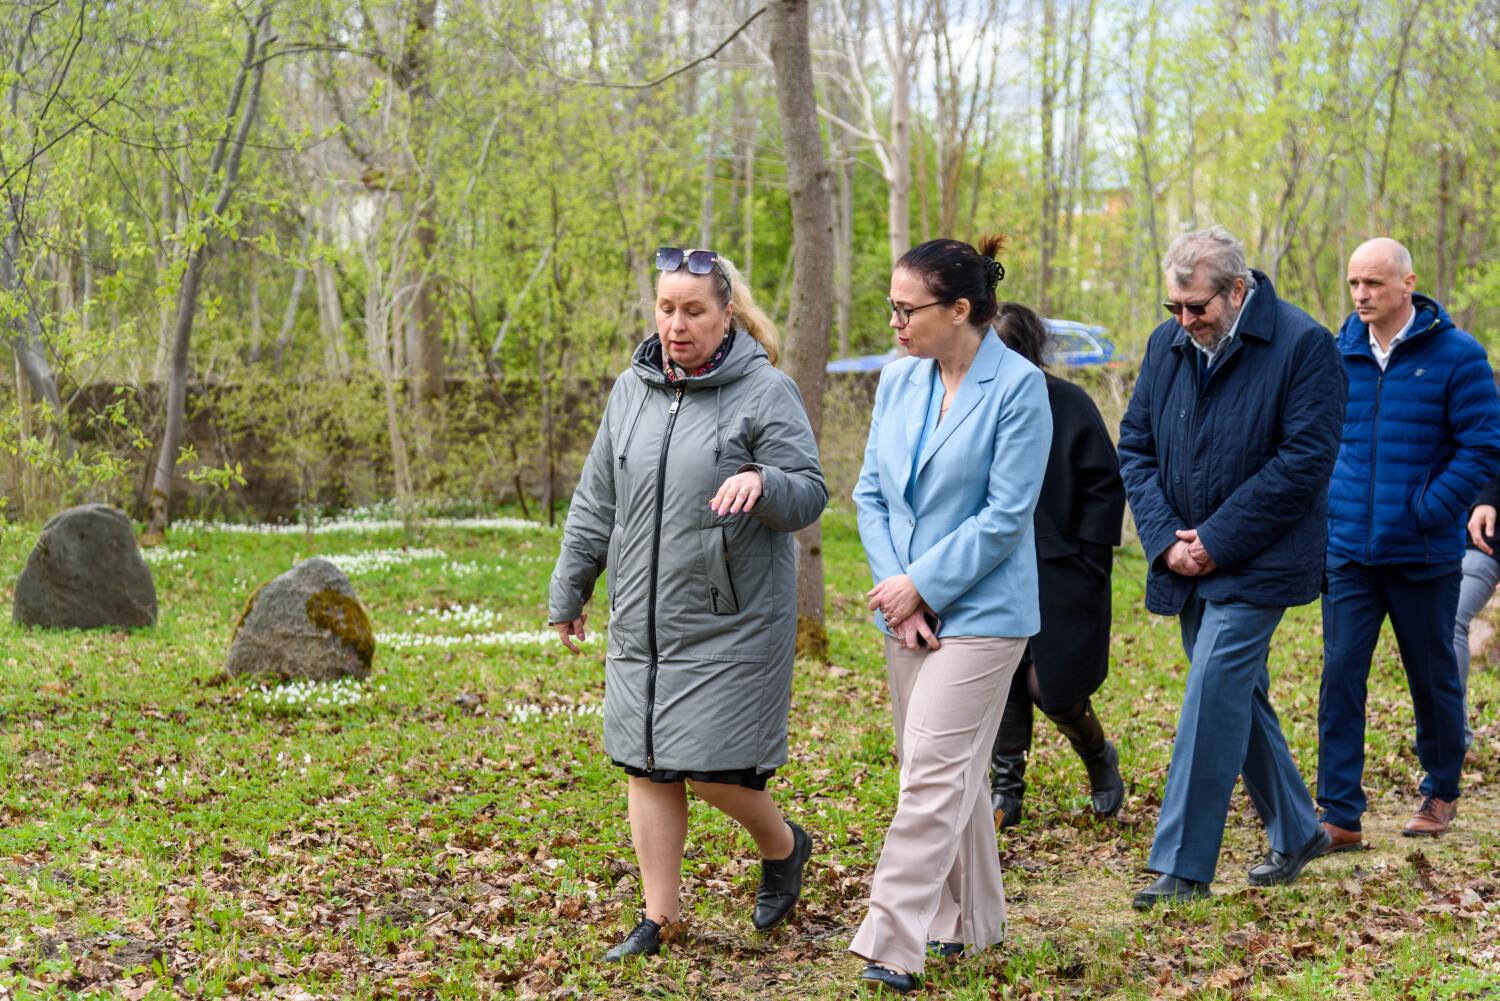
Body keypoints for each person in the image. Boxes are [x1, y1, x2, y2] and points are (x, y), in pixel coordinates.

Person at [548, 246, 828, 961]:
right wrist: (571, 588)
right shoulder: (631, 390)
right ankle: (661, 917)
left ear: (727, 314)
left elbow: (808, 492)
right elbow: (596, 500)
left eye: (694, 310)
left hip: (730, 617)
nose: (676, 324)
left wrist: (763, 481)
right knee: (646, 762)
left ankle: (783, 844)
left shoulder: (766, 391)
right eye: (666, 308)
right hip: (642, 616)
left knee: (706, 768)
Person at [1117, 226, 1346, 910]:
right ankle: (1298, 830)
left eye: (1197, 306)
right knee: (1235, 695)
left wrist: (1215, 539)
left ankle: (1183, 866)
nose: (1185, 320)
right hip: (1185, 559)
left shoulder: (1304, 346)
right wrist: (1167, 541)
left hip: (1262, 558)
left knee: (1212, 689)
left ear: (1237, 291)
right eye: (1175, 307)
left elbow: (1303, 463)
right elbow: (1136, 445)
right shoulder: (1167, 345)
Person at [850, 236, 1052, 994]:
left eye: (908, 309)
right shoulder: (898, 380)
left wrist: (925, 586)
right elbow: (871, 495)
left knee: (932, 772)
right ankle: (971, 921)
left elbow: (1005, 516)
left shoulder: (1020, 388)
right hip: (905, 611)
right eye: (892, 307)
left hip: (986, 613)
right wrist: (897, 590)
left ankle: (891, 940)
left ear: (959, 309)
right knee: (937, 767)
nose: (894, 322)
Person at [1318, 238, 1500, 849]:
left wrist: (1430, 509)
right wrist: (1330, 507)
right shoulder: (1336, 353)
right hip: (1349, 550)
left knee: (1432, 678)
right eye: (1353, 283)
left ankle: (1441, 789)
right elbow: (1317, 439)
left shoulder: (1458, 355)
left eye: (1372, 282)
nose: (1361, 294)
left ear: (1407, 284)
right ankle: (1340, 813)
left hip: (1423, 554)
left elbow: (1482, 447)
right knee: (1340, 678)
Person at [988, 302, 1127, 828]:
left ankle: (1098, 756)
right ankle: (1006, 790)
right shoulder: (972, 404)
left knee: (1051, 685)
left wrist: (1088, 559)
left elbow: (1104, 486)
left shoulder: (1067, 402)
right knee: (1001, 676)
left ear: (1025, 350)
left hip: (1064, 571)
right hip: (992, 567)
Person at [1454, 471, 1500, 751]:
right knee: (1439, 624)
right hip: (1450, 537)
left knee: (1451, 620)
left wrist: (1488, 499)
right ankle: (1447, 733)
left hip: (1485, 541)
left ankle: (1452, 735)